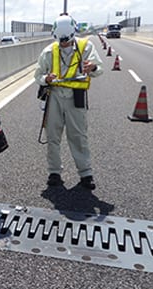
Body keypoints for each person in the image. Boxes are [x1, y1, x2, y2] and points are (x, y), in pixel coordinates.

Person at [34, 14, 103, 190]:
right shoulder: (49, 51)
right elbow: (38, 76)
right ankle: (54, 172)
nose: (63, 43)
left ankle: (86, 174)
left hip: (75, 96)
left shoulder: (86, 47)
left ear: (73, 34)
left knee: (78, 136)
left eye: (66, 40)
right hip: (54, 96)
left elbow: (99, 69)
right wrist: (46, 79)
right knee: (52, 136)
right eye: (60, 40)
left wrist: (92, 67)